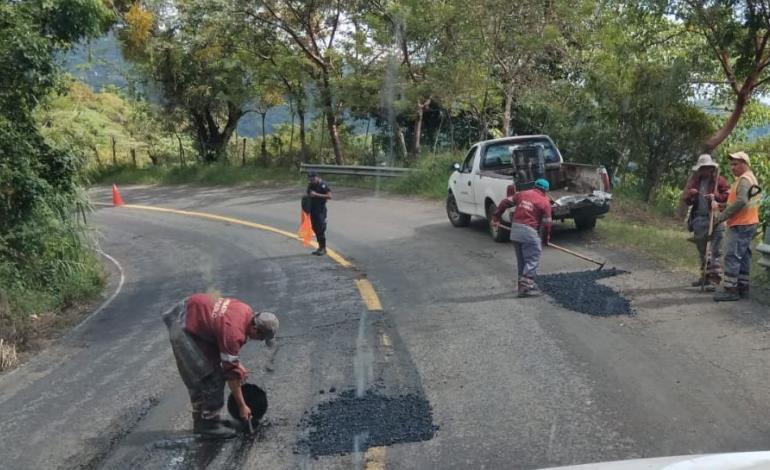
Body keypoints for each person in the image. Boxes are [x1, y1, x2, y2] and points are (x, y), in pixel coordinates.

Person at [162, 293, 279, 438]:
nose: (259, 340)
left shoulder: (246, 311)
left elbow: (222, 339)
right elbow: (231, 374)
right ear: (255, 329)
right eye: (261, 338)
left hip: (191, 312)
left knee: (212, 368)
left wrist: (237, 364)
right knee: (210, 377)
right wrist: (242, 406)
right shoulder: (234, 333)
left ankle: (206, 419)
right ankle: (208, 426)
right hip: (181, 326)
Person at [712, 151, 762, 301]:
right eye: (731, 164)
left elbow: (741, 201)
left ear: (745, 164)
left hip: (741, 223)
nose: (732, 167)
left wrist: (722, 216)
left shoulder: (745, 179)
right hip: (749, 222)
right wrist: (723, 206)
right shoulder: (748, 178)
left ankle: (730, 290)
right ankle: (742, 287)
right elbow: (739, 201)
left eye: (736, 164)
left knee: (732, 255)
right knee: (744, 255)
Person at [492, 178, 553, 298]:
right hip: (529, 231)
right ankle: (525, 288)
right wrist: (546, 239)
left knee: (522, 261)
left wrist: (496, 216)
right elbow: (547, 224)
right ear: (546, 190)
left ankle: (523, 286)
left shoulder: (521, 194)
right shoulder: (545, 202)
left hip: (515, 231)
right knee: (532, 258)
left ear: (535, 186)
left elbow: (505, 202)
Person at [681, 154, 730, 291]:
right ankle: (705, 277)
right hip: (700, 219)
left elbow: (728, 197)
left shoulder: (719, 181)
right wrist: (692, 195)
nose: (704, 170)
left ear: (711, 168)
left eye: (707, 168)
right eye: (702, 168)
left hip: (716, 218)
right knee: (703, 250)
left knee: (715, 250)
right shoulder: (695, 182)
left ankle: (714, 281)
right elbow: (687, 201)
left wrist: (716, 197)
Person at [306, 171, 332, 256]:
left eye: (312, 178)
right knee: (315, 228)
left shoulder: (323, 185)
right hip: (313, 209)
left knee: (320, 229)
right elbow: (308, 195)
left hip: (321, 209)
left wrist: (317, 194)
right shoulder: (310, 185)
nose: (311, 180)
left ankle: (323, 248)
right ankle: (320, 247)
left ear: (317, 177)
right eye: (309, 179)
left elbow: (329, 196)